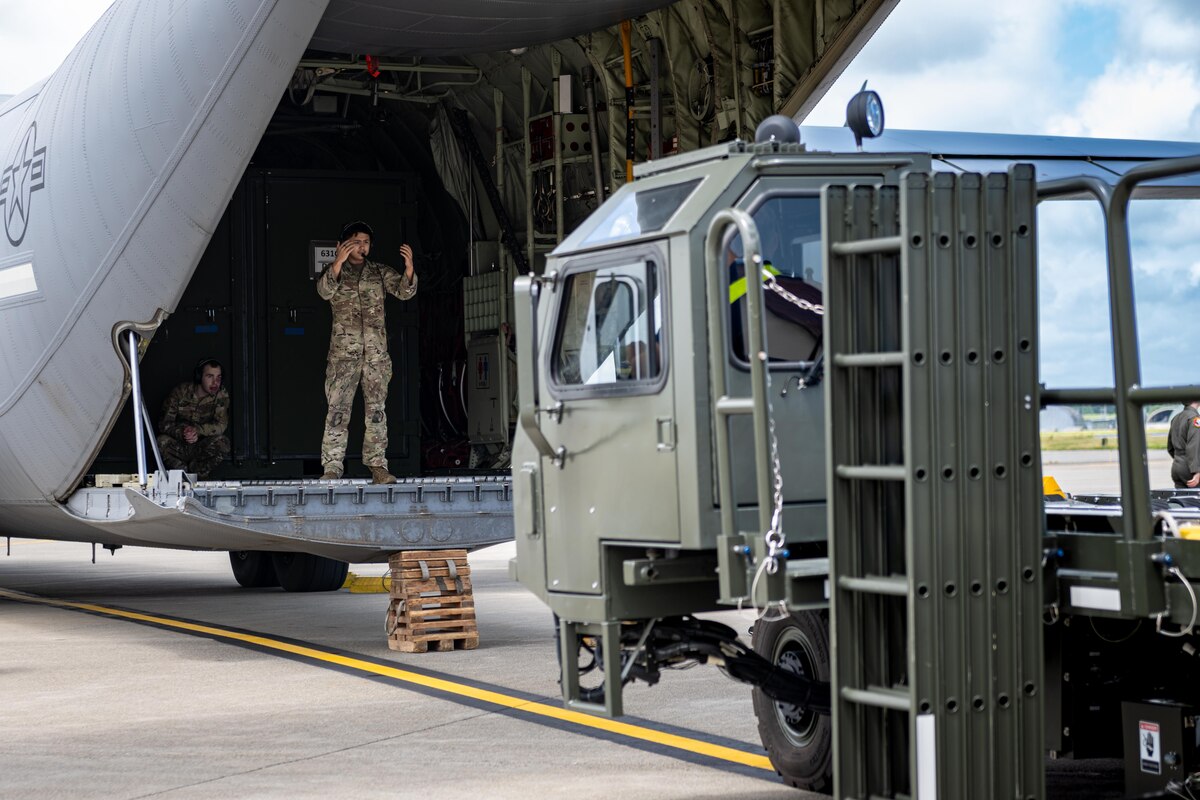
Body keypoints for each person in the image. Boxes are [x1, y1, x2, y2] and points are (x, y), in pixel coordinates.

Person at [316, 220, 417, 484]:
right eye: (356, 241)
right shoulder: (334, 273)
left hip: (375, 357)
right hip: (343, 357)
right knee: (337, 410)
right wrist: (338, 261)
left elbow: (404, 292)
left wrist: (409, 269)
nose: (362, 247)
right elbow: (324, 291)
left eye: (366, 242)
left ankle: (378, 467)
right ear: (343, 245)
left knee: (376, 412)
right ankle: (332, 467)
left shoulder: (379, 272)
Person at [157, 358, 230, 479]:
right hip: (179, 444)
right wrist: (183, 432)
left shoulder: (221, 395)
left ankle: (198, 475)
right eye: (210, 376)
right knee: (161, 441)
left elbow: (221, 425)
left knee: (223, 442)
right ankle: (182, 476)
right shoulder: (180, 392)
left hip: (201, 446)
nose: (215, 382)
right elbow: (164, 424)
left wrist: (197, 431)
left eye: (219, 377)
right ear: (199, 376)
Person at [1168, 400, 1200, 489]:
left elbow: (1170, 447)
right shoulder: (1195, 418)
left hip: (1177, 466)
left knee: (1182, 501)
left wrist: (1179, 460)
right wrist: (1197, 471)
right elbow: (1194, 446)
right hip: (1190, 469)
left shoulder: (1176, 418)